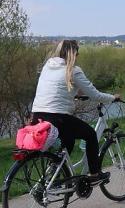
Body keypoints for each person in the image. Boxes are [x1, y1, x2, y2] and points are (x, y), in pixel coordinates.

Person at [31, 40, 119, 184]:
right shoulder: (73, 70)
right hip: (57, 117)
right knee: (90, 135)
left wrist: (73, 94)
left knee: (69, 140)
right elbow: (95, 95)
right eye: (77, 53)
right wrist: (112, 97)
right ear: (72, 54)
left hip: (38, 115)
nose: (77, 57)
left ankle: (56, 175)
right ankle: (95, 174)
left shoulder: (48, 66)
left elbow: (55, 88)